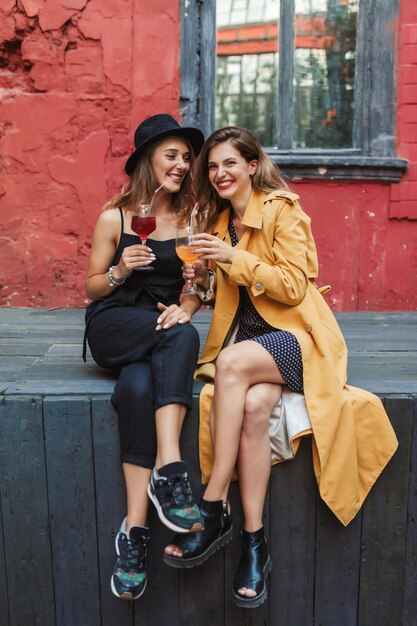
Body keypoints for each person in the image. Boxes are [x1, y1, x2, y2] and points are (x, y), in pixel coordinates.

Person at [162, 126, 398, 608]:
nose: (219, 173)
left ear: (252, 165)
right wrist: (196, 288)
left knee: (230, 365)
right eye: (212, 166)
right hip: (251, 340)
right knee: (252, 409)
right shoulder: (217, 221)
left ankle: (211, 507)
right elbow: (213, 292)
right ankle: (254, 540)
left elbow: (293, 287)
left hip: (298, 338)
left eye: (230, 163)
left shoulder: (283, 210)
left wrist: (235, 258)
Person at [83, 113, 205, 601]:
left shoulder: (194, 218)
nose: (181, 164)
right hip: (115, 325)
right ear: (147, 162)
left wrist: (189, 299)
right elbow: (92, 288)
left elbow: (197, 291)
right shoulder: (115, 217)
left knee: (136, 386)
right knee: (182, 338)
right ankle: (170, 470)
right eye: (171, 155)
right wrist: (118, 270)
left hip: (155, 330)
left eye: (185, 157)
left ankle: (134, 530)